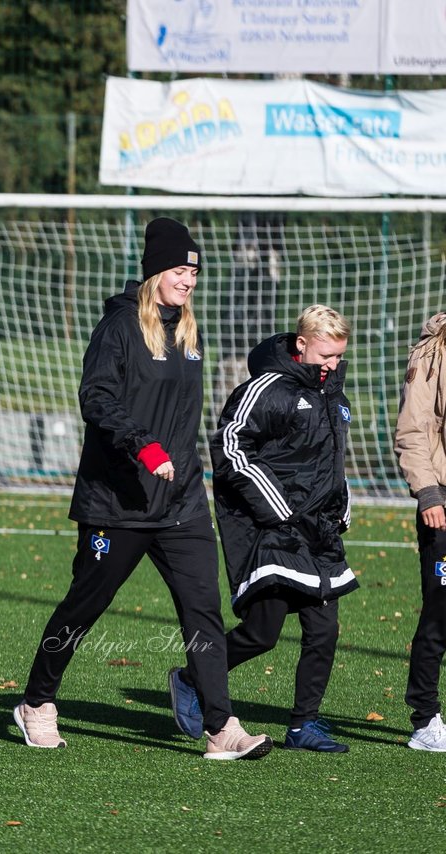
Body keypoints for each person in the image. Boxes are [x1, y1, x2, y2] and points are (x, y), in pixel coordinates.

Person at [14, 217, 271, 760]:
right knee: (87, 604)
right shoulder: (119, 329)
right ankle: (37, 702)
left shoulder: (189, 329)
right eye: (180, 269)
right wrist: (144, 447)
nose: (189, 279)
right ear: (155, 272)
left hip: (180, 502)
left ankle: (220, 725)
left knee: (201, 610)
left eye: (194, 270)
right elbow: (97, 399)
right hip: (118, 500)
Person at [171, 305, 356, 753]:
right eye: (325, 354)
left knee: (324, 630)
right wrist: (277, 507)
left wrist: (341, 504)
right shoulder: (267, 388)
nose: (332, 364)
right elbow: (230, 443)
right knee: (262, 633)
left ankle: (303, 724)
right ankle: (191, 678)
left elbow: (332, 460)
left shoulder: (336, 396)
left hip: (319, 532)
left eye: (339, 356)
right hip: (274, 530)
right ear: (301, 343)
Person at [394, 313, 446, 752]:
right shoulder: (432, 351)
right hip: (443, 501)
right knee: (441, 611)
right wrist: (429, 493)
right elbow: (413, 428)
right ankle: (425, 719)